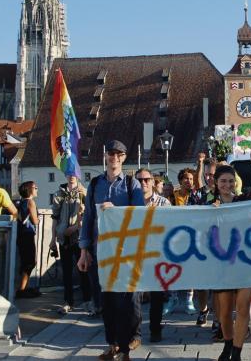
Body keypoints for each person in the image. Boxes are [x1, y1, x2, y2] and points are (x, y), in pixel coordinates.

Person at [77, 140, 145, 361]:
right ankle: (112, 345)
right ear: (106, 157)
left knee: (126, 302)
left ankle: (125, 349)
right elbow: (88, 218)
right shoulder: (96, 184)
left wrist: (116, 210)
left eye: (119, 154)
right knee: (106, 302)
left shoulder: (131, 184)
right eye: (111, 153)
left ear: (124, 158)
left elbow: (138, 213)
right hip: (101, 250)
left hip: (125, 251)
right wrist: (84, 250)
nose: (114, 157)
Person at [211, 164, 251, 361]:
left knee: (242, 309)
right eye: (223, 181)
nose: (227, 184)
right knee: (224, 313)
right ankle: (227, 343)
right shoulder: (207, 203)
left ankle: (237, 352)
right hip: (221, 265)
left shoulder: (242, 201)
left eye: (231, 181)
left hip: (244, 262)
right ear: (216, 182)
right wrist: (209, 212)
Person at [136, 168, 172, 343]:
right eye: (139, 180)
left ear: (152, 181)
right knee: (134, 296)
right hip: (135, 254)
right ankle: (134, 332)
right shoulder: (130, 201)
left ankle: (155, 329)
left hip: (156, 253)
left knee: (157, 295)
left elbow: (168, 227)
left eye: (146, 179)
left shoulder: (163, 203)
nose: (143, 183)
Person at [169, 163, 208, 317]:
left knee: (190, 268)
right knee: (173, 267)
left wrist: (200, 164)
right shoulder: (173, 195)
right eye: (185, 178)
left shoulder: (198, 196)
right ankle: (172, 299)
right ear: (180, 180)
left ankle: (189, 300)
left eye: (191, 178)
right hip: (175, 237)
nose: (188, 181)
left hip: (192, 236)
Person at [50, 175, 91, 315]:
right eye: (69, 173)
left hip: (79, 238)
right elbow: (55, 218)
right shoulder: (59, 193)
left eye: (74, 173)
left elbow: (87, 216)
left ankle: (87, 301)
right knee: (66, 272)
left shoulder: (83, 193)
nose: (71, 176)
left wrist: (74, 228)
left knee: (83, 270)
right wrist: (53, 239)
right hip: (63, 238)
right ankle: (68, 302)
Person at [15, 181, 40, 299]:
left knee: (25, 262)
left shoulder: (20, 202)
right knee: (30, 262)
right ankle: (22, 289)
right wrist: (38, 220)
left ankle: (23, 287)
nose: (37, 190)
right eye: (35, 188)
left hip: (20, 235)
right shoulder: (30, 202)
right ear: (30, 190)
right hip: (28, 234)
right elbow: (35, 221)